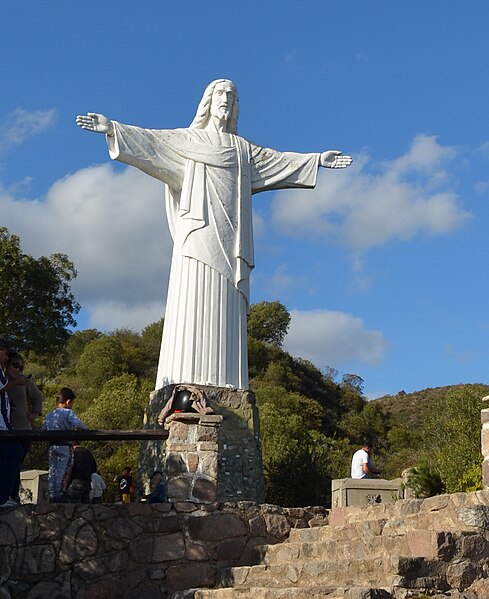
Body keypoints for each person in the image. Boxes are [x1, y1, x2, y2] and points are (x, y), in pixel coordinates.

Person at [76, 79, 352, 392]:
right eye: (221, 93)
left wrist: (316, 159)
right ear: (208, 101)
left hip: (231, 239)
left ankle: (229, 386)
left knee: (227, 307)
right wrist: (113, 128)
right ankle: (180, 385)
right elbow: (150, 142)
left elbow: (279, 160)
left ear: (236, 108)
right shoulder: (187, 140)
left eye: (232, 96)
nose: (226, 100)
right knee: (192, 299)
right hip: (196, 235)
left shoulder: (242, 151)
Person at [6, 352, 44, 502]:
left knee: (16, 462)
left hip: (23, 428)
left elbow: (38, 396)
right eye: (16, 365)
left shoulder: (25, 381)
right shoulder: (3, 381)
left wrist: (35, 412)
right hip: (6, 428)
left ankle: (12, 495)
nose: (18, 370)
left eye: (21, 367)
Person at [42, 388, 89, 503]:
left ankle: (51, 493)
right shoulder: (68, 413)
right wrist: (87, 429)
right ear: (68, 402)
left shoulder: (50, 415)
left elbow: (43, 429)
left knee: (52, 470)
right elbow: (77, 423)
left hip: (52, 446)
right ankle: (58, 494)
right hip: (64, 445)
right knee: (62, 470)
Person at [0, 339, 27, 507]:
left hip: (4, 423)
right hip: (1, 426)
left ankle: (4, 496)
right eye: (5, 352)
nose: (7, 356)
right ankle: (3, 498)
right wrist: (16, 383)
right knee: (14, 453)